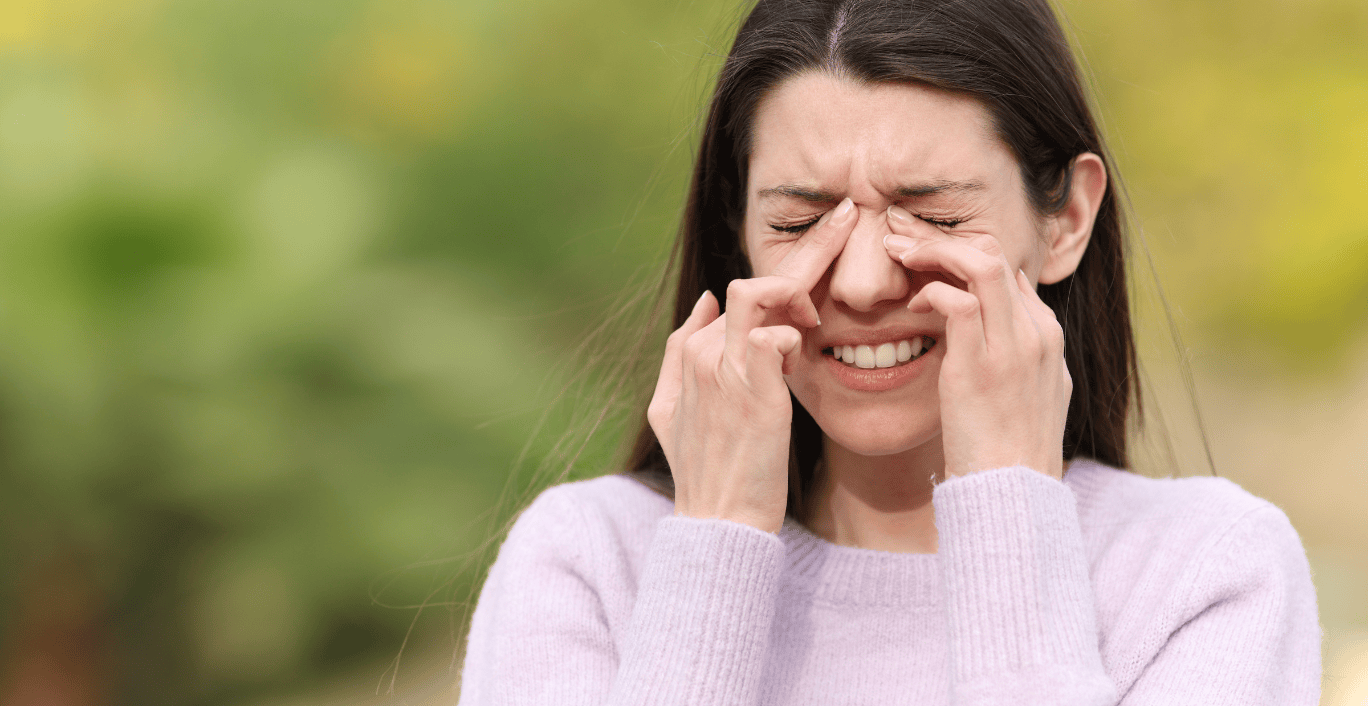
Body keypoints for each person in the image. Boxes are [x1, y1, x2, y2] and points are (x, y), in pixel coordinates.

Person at [456, 0, 1322, 703]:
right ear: (737, 231)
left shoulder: (1209, 575)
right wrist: (714, 543)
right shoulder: (589, 564)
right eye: (798, 223)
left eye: (936, 218)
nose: (864, 282)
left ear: (1066, 219)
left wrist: (1009, 506)